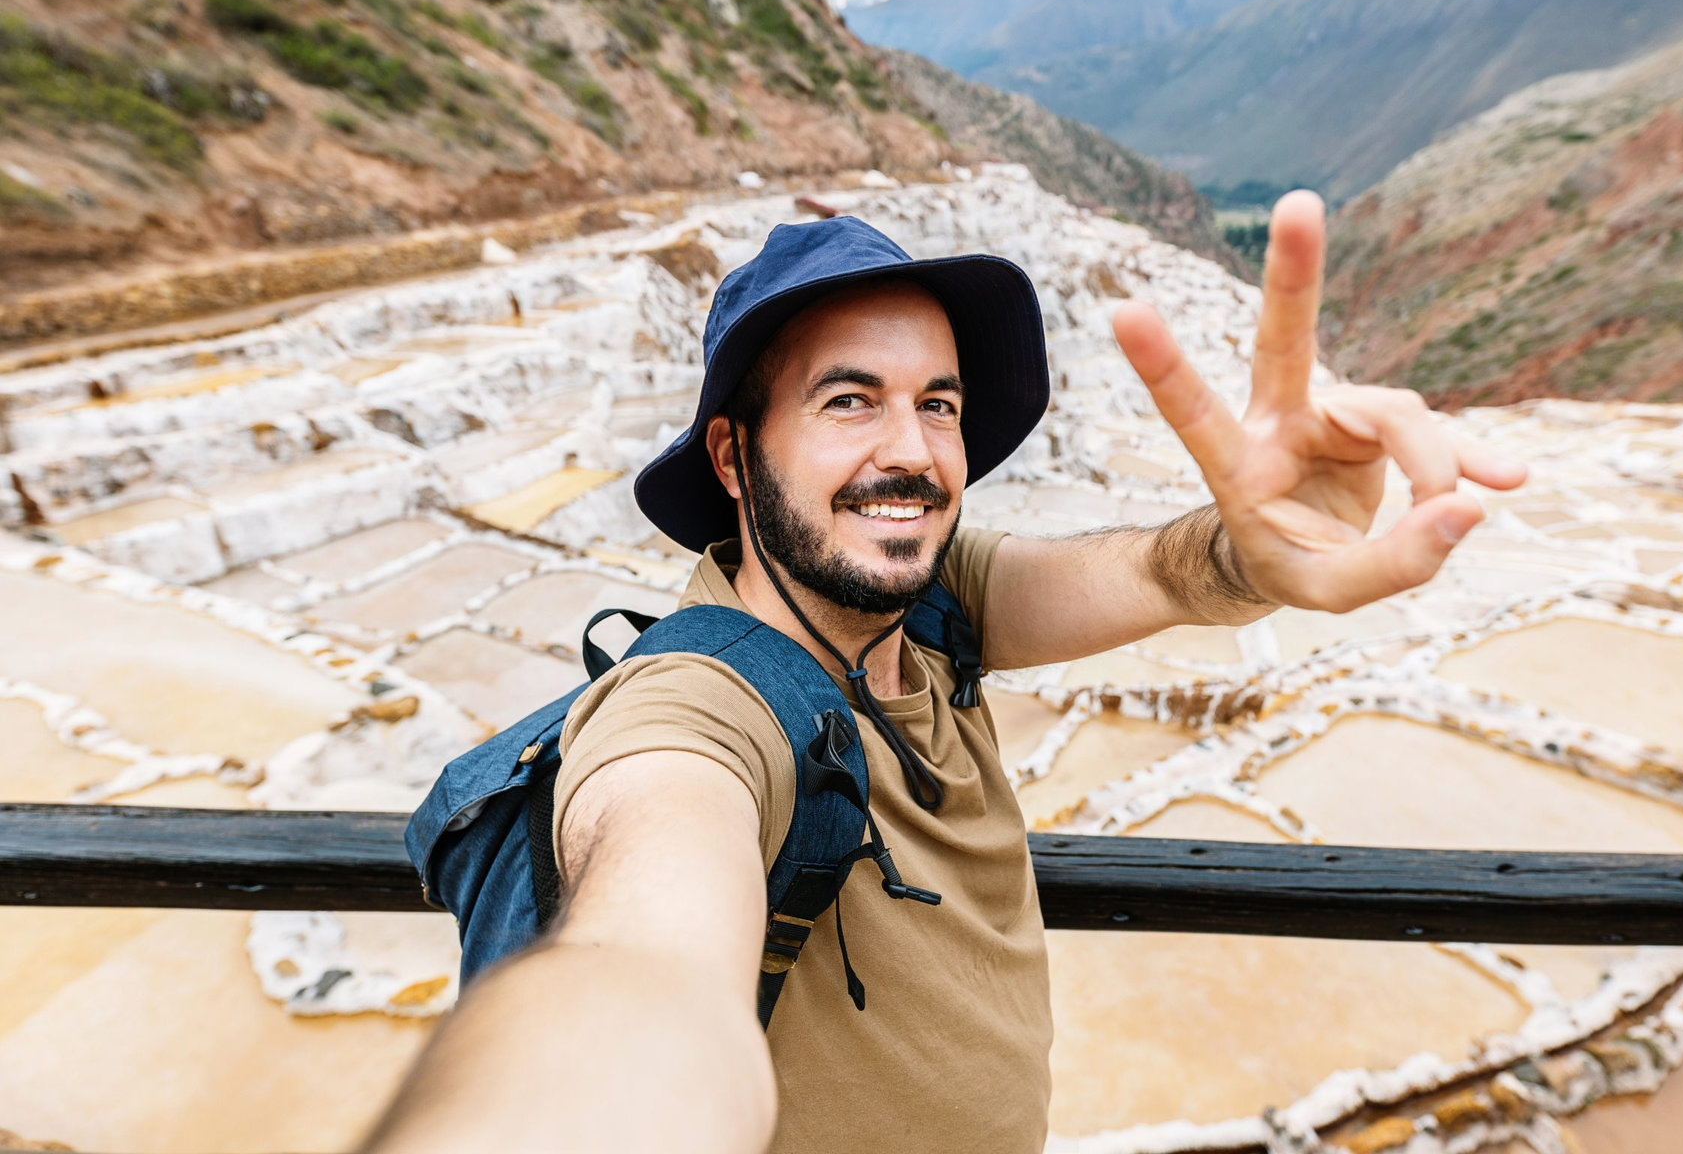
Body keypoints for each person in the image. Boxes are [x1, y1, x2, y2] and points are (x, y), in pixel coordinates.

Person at [362, 190, 1526, 1154]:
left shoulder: (932, 605)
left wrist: (1258, 544)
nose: (911, 452)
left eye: (938, 404)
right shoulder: (696, 709)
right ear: (732, 454)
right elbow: (645, 968)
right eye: (849, 400)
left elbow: (1171, 573)